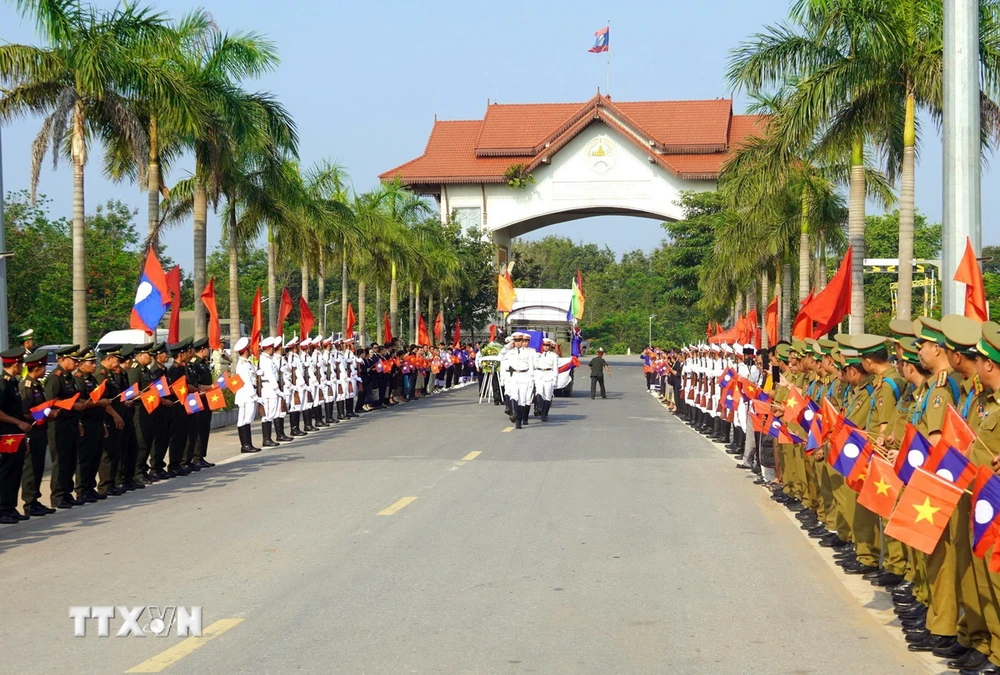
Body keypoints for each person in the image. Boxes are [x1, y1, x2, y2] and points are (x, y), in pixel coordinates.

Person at [20, 350, 55, 517]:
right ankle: (29, 502)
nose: (44, 370)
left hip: (41, 430)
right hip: (31, 431)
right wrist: (45, 413)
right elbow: (25, 412)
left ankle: (35, 499)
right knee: (31, 468)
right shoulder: (26, 386)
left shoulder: (36, 384)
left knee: (38, 467)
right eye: (43, 367)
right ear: (36, 368)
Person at [0, 347, 31, 524]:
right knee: (6, 472)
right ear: (15, 364)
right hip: (6, 435)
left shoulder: (12, 383)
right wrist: (18, 423)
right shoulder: (2, 384)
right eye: (21, 363)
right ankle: (2, 509)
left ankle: (10, 507)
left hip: (16, 435)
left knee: (15, 472)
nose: (23, 366)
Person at [233, 337, 261, 453]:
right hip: (245, 396)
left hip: (249, 395)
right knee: (243, 420)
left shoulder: (248, 363)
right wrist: (255, 396)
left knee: (248, 419)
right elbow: (246, 382)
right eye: (249, 348)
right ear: (245, 350)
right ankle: (245, 445)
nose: (250, 350)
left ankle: (248, 444)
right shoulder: (242, 364)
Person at [533, 338, 558, 421]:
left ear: (550, 346)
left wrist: (555, 379)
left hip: (549, 375)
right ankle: (539, 407)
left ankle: (545, 414)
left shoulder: (554, 356)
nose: (546, 347)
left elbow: (555, 368)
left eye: (547, 345)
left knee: (547, 395)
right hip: (539, 374)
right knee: (539, 392)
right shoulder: (538, 355)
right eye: (544, 345)